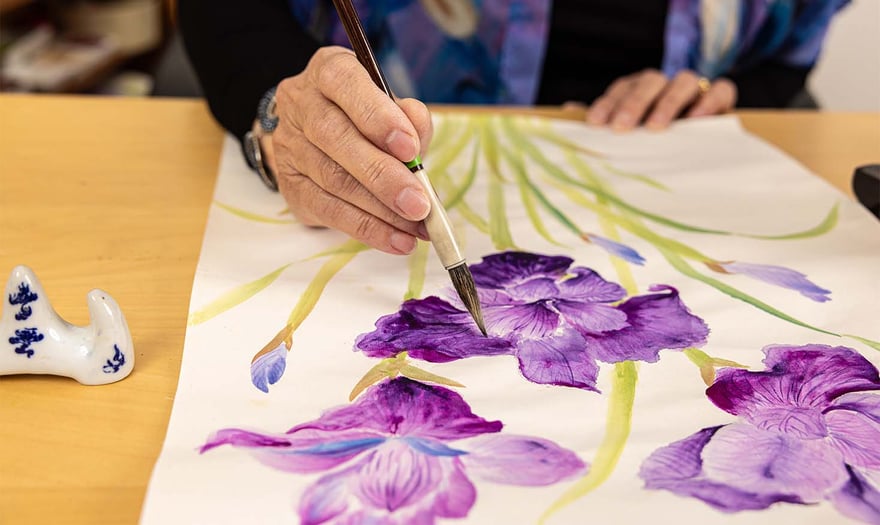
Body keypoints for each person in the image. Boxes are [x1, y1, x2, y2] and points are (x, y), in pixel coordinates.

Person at [179, 0, 847, 255]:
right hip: (387, 125)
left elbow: (786, 51)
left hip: (666, 158)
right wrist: (276, 108)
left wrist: (728, 90)